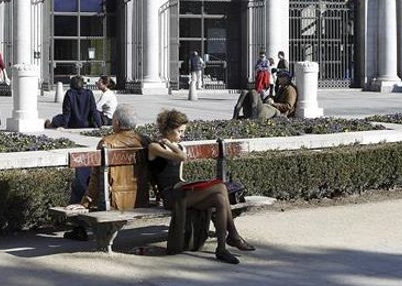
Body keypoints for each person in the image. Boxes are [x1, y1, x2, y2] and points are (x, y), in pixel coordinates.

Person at [148, 109, 254, 264]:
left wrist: (172, 144)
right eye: (179, 131)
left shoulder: (176, 146)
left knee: (219, 198)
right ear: (169, 130)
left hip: (182, 190)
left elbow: (180, 169)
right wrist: (170, 144)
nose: (182, 135)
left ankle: (222, 249)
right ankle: (233, 235)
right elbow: (182, 157)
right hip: (171, 195)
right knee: (221, 187)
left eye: (183, 131)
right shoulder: (154, 147)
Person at [62, 104, 149, 241]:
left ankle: (78, 228)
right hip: (140, 199)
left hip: (114, 201)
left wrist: (85, 203)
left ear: (117, 122)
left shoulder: (107, 142)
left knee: (79, 179)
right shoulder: (145, 141)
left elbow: (97, 179)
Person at [233, 70, 297, 119]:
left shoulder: (290, 89)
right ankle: (237, 110)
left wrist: (273, 104)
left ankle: (254, 111)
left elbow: (288, 106)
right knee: (245, 92)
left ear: (286, 78)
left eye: (280, 77)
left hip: (277, 111)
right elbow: (276, 98)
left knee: (253, 92)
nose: (278, 78)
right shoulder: (282, 88)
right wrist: (270, 98)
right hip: (269, 107)